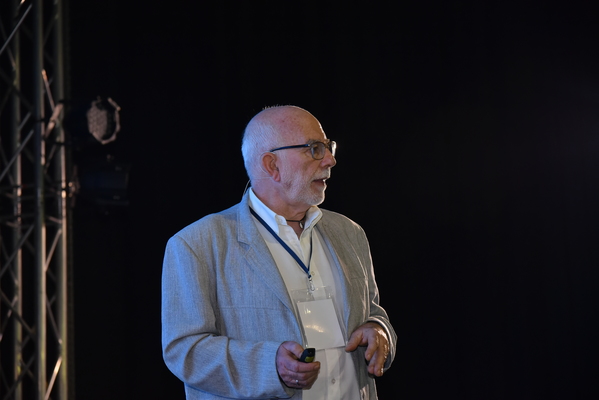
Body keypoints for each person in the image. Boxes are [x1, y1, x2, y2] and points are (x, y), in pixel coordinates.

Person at [162, 105, 396, 399]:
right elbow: (185, 351)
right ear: (272, 165)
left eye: (328, 147)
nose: (330, 160)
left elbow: (373, 312)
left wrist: (378, 330)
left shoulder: (350, 233)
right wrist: (269, 365)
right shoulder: (197, 244)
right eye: (315, 149)